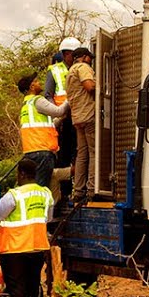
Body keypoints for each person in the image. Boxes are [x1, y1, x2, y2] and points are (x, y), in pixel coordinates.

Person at [0, 158, 54, 297]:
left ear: (21, 173)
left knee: (16, 286)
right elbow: (47, 218)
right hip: (37, 247)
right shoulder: (45, 193)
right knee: (34, 284)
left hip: (15, 247)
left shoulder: (14, 195)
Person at [17, 73, 67, 187]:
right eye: (37, 81)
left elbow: (45, 125)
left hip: (31, 151)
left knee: (33, 185)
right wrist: (70, 99)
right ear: (32, 87)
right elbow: (59, 111)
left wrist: (60, 120)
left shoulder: (26, 105)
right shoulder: (38, 100)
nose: (40, 83)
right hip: (43, 151)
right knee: (41, 187)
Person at [66, 47, 97, 201]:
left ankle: (78, 191)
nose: (91, 61)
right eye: (90, 58)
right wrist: (103, 86)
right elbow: (90, 87)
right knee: (93, 153)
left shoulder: (70, 72)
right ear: (84, 57)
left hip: (77, 118)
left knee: (82, 155)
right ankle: (92, 190)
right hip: (89, 115)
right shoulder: (83, 68)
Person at [45, 37, 80, 169]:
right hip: (63, 119)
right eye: (74, 54)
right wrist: (57, 113)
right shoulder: (54, 70)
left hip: (79, 116)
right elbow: (48, 95)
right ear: (66, 54)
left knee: (80, 154)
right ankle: (65, 189)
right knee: (64, 154)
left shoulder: (82, 68)